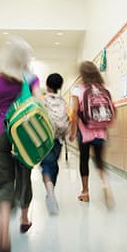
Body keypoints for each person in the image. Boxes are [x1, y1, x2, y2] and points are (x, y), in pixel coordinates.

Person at [0, 38, 41, 252]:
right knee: (25, 178)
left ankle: (4, 236)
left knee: (5, 182)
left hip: (2, 135)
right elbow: (39, 106)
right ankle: (25, 219)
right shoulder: (31, 79)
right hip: (24, 138)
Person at [69, 61, 115, 209]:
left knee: (84, 159)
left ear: (82, 74)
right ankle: (105, 184)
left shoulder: (78, 89)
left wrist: (73, 131)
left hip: (85, 131)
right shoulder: (104, 88)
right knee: (100, 160)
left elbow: (75, 112)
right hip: (101, 131)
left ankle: (85, 192)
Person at [41, 73, 70, 215]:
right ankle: (51, 189)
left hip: (45, 139)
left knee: (46, 165)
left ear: (47, 85)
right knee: (54, 165)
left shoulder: (43, 100)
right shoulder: (63, 101)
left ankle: (50, 190)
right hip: (59, 139)